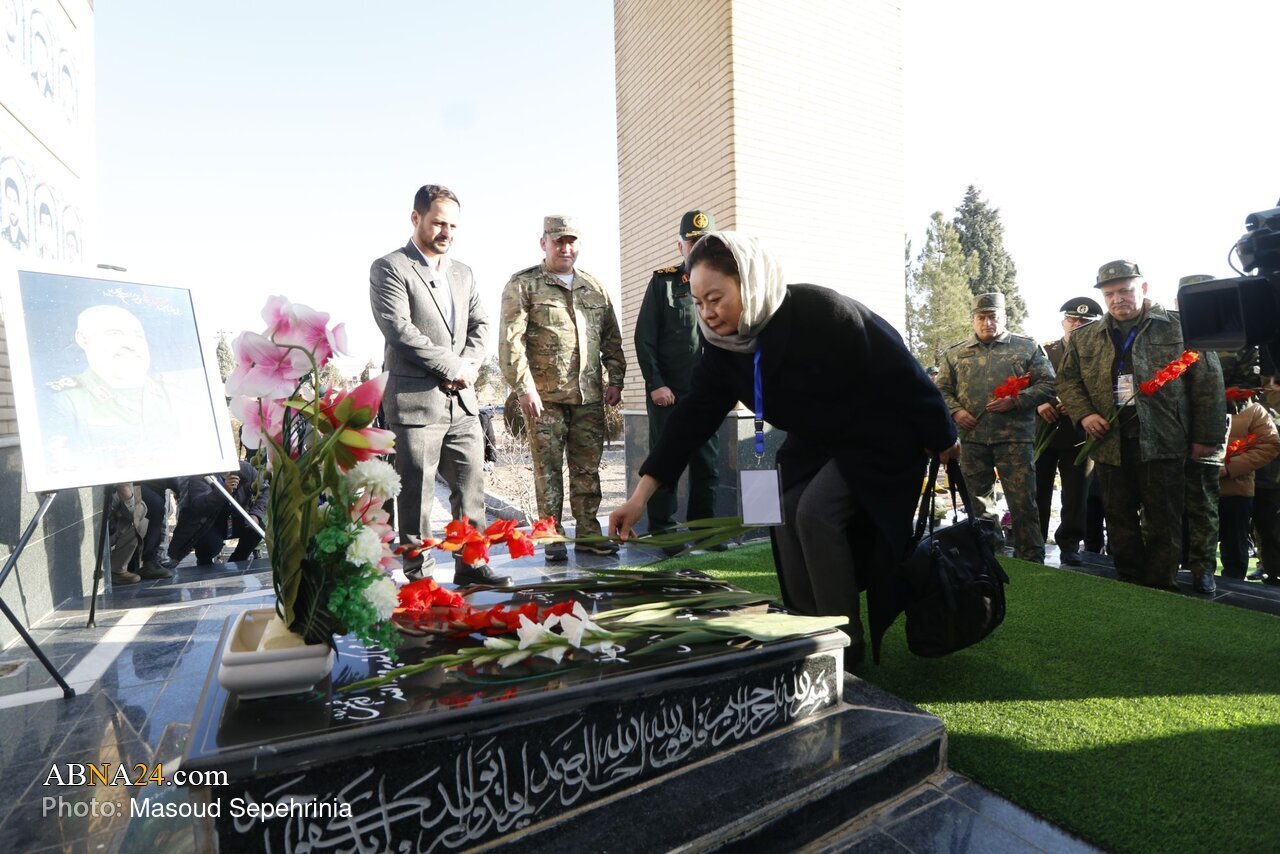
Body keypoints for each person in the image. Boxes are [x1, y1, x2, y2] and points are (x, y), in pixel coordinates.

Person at [609, 232, 959, 664]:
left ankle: (843, 648)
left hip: (879, 432)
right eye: (698, 303)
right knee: (786, 510)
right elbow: (690, 420)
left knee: (816, 512)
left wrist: (943, 436)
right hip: (816, 442)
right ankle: (806, 631)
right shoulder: (722, 349)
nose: (707, 313)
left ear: (750, 282)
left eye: (716, 298)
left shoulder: (818, 310)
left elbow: (901, 368)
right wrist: (639, 498)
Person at [369, 184, 508, 587]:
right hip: (415, 404)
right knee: (416, 497)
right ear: (416, 218)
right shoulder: (390, 267)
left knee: (471, 489)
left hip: (462, 404)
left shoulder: (463, 273)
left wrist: (469, 365)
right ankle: (420, 578)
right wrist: (452, 365)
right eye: (438, 223)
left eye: (453, 226)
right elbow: (399, 331)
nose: (446, 232)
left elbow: (481, 325)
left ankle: (472, 565)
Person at [1057, 260, 1225, 589]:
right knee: (1118, 516)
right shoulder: (1084, 337)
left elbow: (1208, 384)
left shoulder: (1179, 327)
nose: (1117, 299)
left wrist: (1206, 438)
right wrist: (1085, 414)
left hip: (1163, 437)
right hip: (1110, 440)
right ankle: (1130, 581)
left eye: (1125, 290)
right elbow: (1068, 381)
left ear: (1143, 288)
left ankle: (1162, 584)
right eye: (1109, 294)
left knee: (1163, 517)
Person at [499, 215, 626, 561]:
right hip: (545, 400)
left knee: (587, 471)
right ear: (544, 243)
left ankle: (589, 534)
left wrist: (616, 379)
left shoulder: (594, 288)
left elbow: (611, 339)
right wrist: (524, 387)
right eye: (558, 241)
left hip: (588, 397)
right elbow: (510, 343)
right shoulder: (524, 285)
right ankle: (551, 537)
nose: (565, 248)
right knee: (548, 473)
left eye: (571, 241)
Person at [937, 292, 1055, 563]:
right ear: (973, 319)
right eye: (981, 317)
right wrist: (956, 411)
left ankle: (1031, 560)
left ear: (1004, 317)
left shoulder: (1026, 348)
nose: (987, 323)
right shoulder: (955, 353)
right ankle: (991, 559)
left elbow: (1049, 384)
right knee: (979, 504)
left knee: (1023, 503)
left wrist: (1016, 401)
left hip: (1014, 439)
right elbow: (941, 389)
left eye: (993, 317)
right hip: (973, 439)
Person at [633, 209, 723, 548]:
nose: (698, 248)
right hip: (669, 394)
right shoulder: (663, 283)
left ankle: (703, 532)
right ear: (681, 247)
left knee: (707, 466)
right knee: (666, 462)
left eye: (705, 242)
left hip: (706, 394)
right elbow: (645, 338)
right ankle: (663, 532)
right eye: (692, 242)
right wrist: (656, 383)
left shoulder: (723, 284)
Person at [1035, 297, 1103, 566]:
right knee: (1037, 490)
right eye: (1072, 320)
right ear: (1063, 322)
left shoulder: (1101, 352)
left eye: (1084, 321)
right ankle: (1034, 540)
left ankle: (1071, 544)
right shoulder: (1044, 351)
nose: (1076, 325)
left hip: (1079, 435)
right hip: (1044, 431)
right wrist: (1039, 403)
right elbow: (1027, 383)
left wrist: (1079, 407)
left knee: (1076, 494)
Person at [1217, 397, 1279, 580]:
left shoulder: (1253, 410)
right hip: (1195, 486)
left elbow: (1270, 444)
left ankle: (1235, 587)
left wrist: (1230, 468)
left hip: (1236, 489)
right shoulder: (1197, 399)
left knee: (1235, 546)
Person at [166, 462, 267, 567]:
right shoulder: (201, 474)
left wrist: (255, 514)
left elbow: (265, 490)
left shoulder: (246, 469)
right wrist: (223, 491)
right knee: (210, 544)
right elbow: (199, 505)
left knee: (256, 528)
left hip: (234, 519)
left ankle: (238, 560)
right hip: (209, 523)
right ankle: (204, 563)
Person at [108, 484, 150, 586]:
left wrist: (126, 493)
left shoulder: (124, 480)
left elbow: (140, 513)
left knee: (140, 523)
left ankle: (116, 570)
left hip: (109, 532)